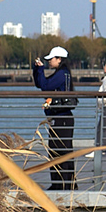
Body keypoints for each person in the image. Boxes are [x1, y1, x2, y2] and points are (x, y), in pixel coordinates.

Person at [34, 45, 77, 191]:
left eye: (51, 59)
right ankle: (64, 183)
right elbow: (41, 84)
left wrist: (40, 70)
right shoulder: (61, 73)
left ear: (59, 59)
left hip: (61, 117)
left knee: (60, 150)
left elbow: (45, 86)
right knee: (57, 150)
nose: (49, 62)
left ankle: (63, 184)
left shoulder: (61, 74)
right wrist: (38, 70)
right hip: (60, 117)